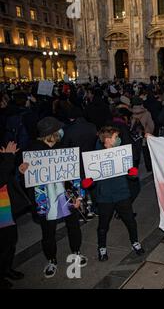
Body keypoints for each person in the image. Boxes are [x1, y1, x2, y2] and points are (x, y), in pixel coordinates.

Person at [24, 117, 88, 278]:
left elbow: (75, 174)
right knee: (48, 233)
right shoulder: (32, 152)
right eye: (58, 130)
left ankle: (76, 252)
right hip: (45, 201)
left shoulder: (64, 148)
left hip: (67, 196)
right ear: (51, 133)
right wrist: (21, 170)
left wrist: (79, 196)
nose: (61, 132)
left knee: (73, 226)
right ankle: (51, 260)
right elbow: (27, 179)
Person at [82, 126, 145, 261]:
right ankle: (102, 247)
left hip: (122, 194)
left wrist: (132, 174)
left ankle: (135, 242)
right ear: (107, 140)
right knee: (103, 225)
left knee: (130, 221)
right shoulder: (95, 157)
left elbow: (131, 174)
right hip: (105, 197)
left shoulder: (122, 153)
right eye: (116, 137)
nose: (119, 139)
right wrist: (88, 182)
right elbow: (92, 181)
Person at [0, 142, 30, 289]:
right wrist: (9, 157)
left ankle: (7, 269)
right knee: (3, 243)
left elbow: (7, 176)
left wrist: (18, 170)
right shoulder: (6, 157)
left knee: (10, 241)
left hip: (5, 206)